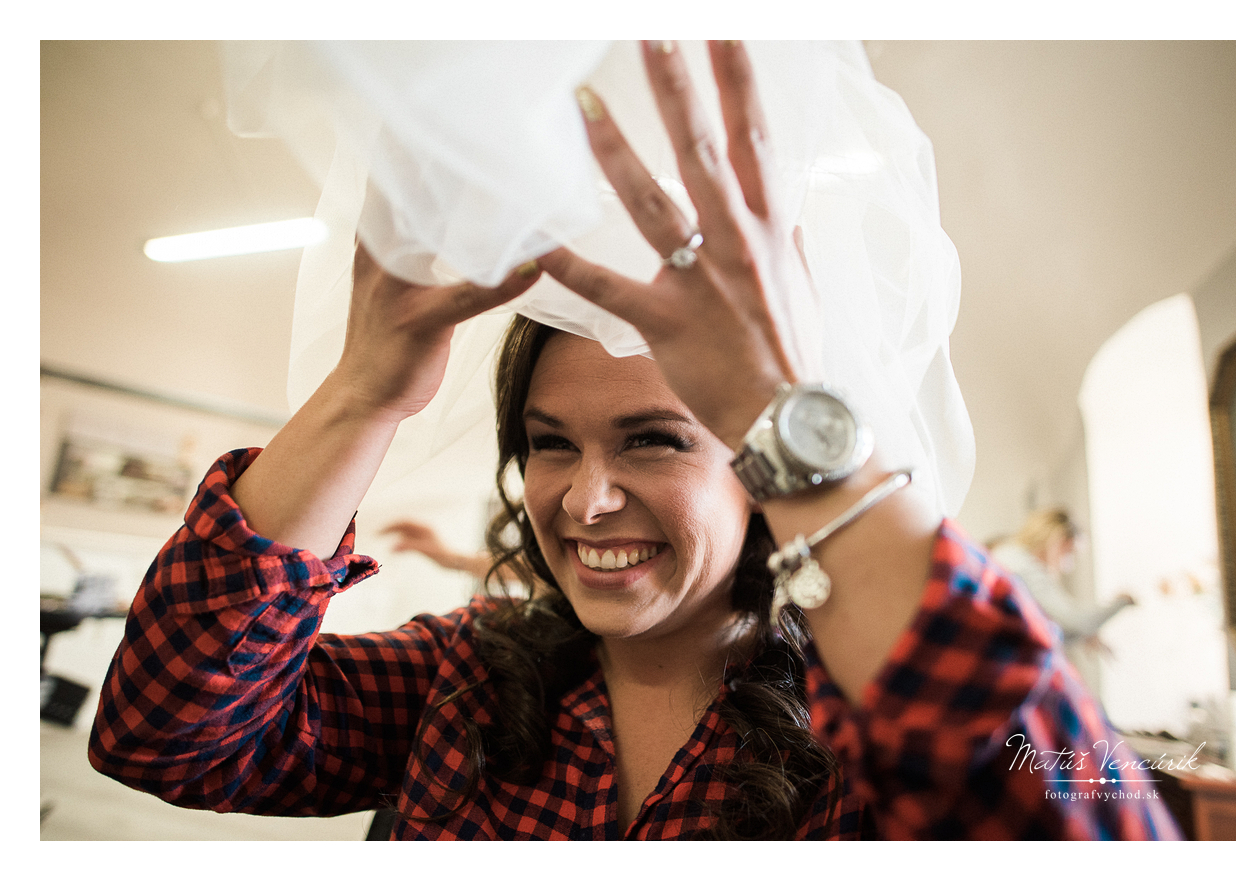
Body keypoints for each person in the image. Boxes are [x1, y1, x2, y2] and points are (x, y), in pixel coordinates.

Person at [88, 42, 1177, 839]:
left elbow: (1092, 808)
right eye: (549, 442)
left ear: (761, 468)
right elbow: (166, 732)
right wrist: (363, 390)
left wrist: (790, 413)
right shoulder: (462, 675)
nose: (584, 497)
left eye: (654, 439)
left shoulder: (865, 728)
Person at [991, 508, 1136, 647]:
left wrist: (1082, 634)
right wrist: (1122, 601)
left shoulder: (1008, 555)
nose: (1067, 565)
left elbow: (1058, 630)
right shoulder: (1022, 565)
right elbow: (1076, 623)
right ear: (1059, 542)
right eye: (1070, 552)